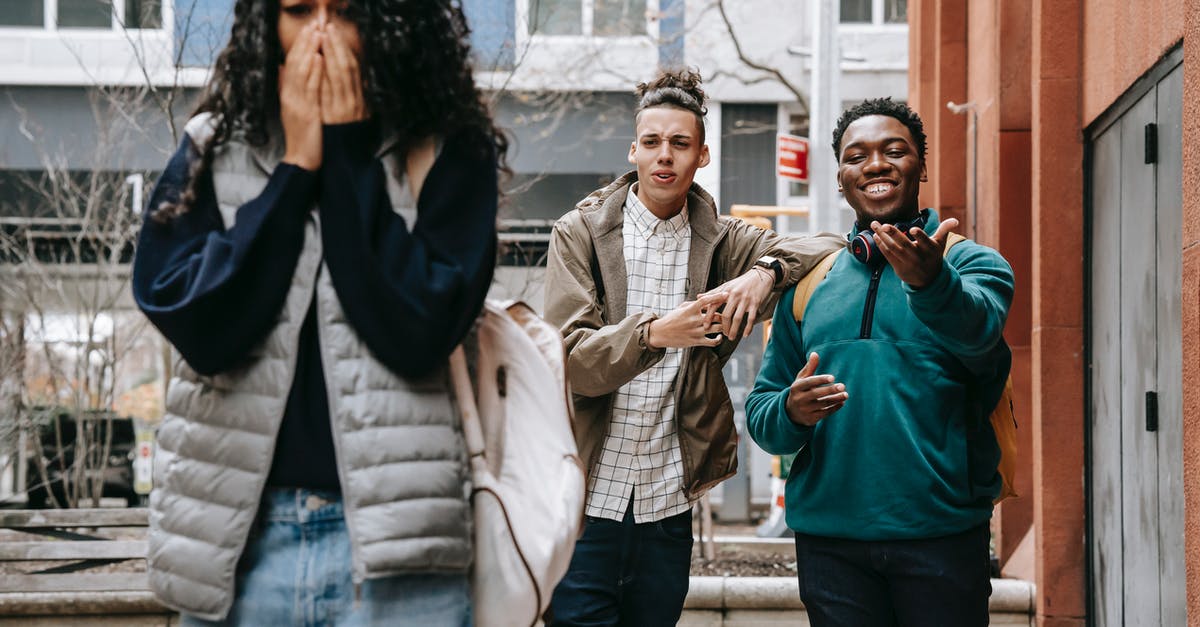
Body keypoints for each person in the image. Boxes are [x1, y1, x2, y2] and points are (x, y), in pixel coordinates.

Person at [131, 0, 504, 624]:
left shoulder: (448, 147)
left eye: (349, 11)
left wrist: (348, 153)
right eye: (299, 10)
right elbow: (198, 325)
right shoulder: (211, 145)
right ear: (266, 26)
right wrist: (296, 168)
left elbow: (416, 331)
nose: (322, 32)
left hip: (400, 557)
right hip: (238, 549)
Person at [543, 68, 844, 626]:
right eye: (652, 143)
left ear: (701, 156)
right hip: (585, 502)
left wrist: (766, 272)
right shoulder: (579, 233)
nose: (665, 156)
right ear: (633, 150)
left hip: (666, 507)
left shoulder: (726, 242)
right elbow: (569, 363)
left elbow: (831, 245)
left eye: (680, 144)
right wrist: (655, 334)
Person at [745, 97, 1014, 627]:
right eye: (856, 156)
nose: (875, 165)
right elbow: (762, 414)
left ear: (922, 166)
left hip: (941, 536)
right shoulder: (808, 284)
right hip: (830, 545)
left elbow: (980, 335)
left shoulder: (974, 263)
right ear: (841, 176)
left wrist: (931, 283)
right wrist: (791, 412)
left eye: (895, 151)